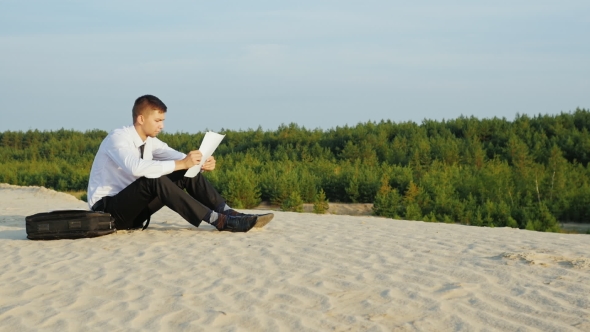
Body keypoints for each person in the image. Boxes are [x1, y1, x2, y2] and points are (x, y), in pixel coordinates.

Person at [87, 94, 273, 232]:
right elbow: (136, 167)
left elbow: (179, 157)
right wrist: (183, 163)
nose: (162, 126)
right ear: (141, 119)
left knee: (182, 170)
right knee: (154, 178)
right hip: (107, 212)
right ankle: (219, 221)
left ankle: (228, 212)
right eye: (158, 120)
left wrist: (199, 163)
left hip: (134, 212)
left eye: (163, 120)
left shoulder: (150, 142)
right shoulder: (118, 138)